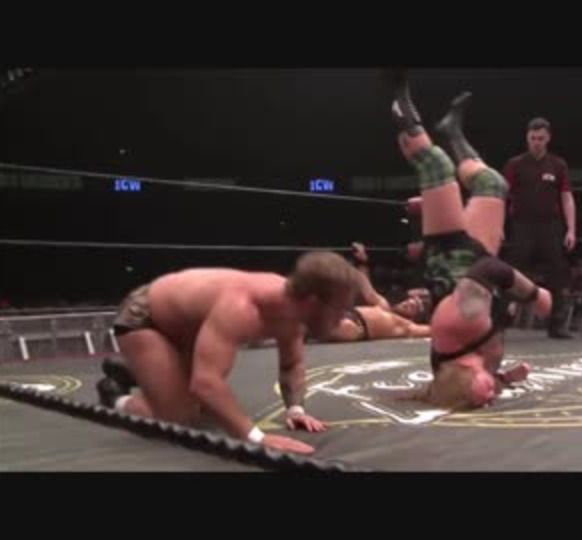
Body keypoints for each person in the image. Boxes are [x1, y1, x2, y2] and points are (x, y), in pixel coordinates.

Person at [386, 70, 552, 411]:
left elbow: (491, 268)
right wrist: (505, 378)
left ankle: (397, 94)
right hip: (475, 262)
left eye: (484, 395)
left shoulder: (459, 325)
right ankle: (453, 131)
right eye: (490, 398)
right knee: (493, 185)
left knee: (435, 166)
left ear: (462, 379)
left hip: (450, 254)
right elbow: (481, 384)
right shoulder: (474, 371)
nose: (490, 396)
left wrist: (535, 295)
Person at [95, 251, 361, 454]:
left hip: (189, 327)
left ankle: (141, 374)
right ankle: (115, 396)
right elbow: (206, 382)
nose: (341, 319)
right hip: (145, 317)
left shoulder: (293, 311)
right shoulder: (242, 308)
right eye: (339, 309)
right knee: (180, 418)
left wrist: (295, 410)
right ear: (313, 302)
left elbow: (291, 365)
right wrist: (256, 437)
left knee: (206, 409)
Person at [501, 117, 577, 338]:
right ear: (527, 137)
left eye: (540, 138)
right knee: (513, 273)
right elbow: (501, 197)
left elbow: (566, 197)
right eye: (533, 138)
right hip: (522, 225)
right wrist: (498, 226)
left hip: (550, 226)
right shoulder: (515, 164)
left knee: (557, 274)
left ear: (548, 138)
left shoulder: (558, 164)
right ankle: (500, 320)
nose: (536, 142)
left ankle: (557, 325)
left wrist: (571, 229)